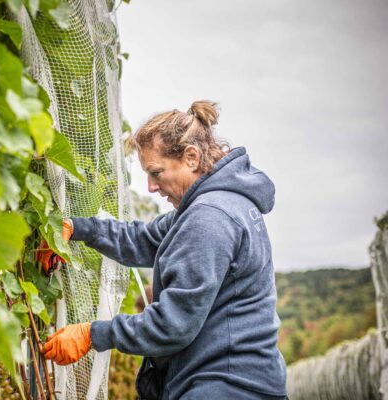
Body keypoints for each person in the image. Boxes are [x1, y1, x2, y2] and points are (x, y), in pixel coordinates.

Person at [40, 101, 287, 400]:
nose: (151, 187)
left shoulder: (209, 217)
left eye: (156, 173)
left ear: (191, 158)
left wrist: (93, 334)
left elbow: (172, 325)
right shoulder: (212, 206)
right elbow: (143, 240)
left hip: (225, 388)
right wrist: (78, 229)